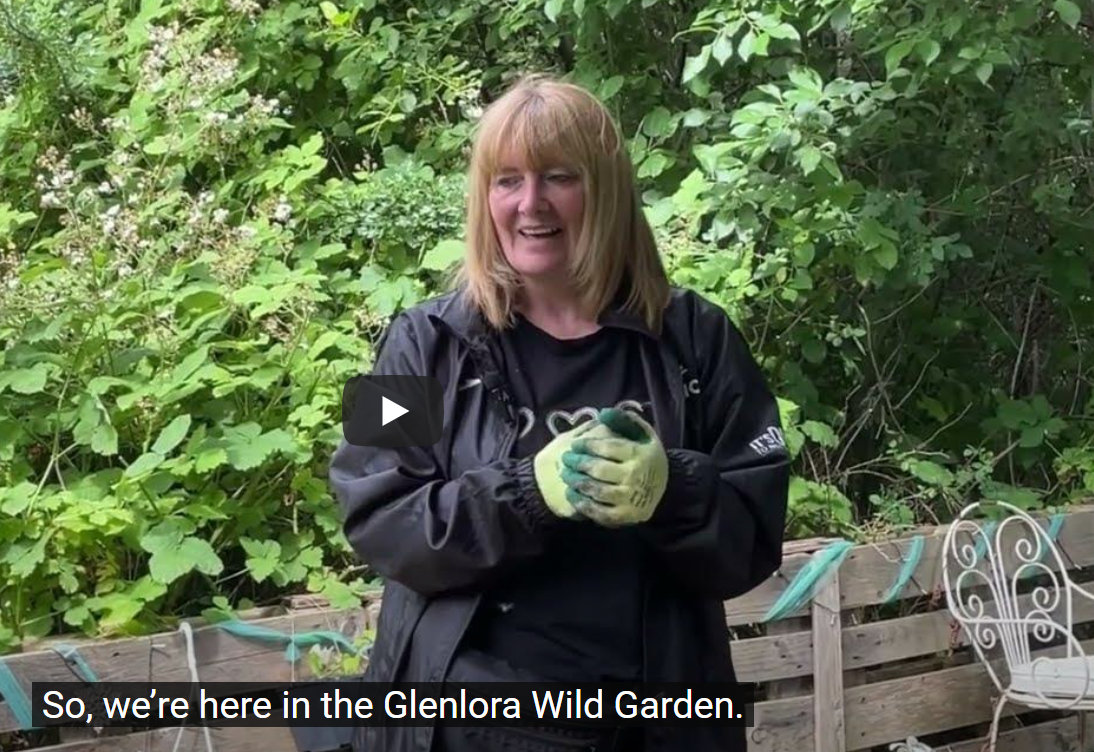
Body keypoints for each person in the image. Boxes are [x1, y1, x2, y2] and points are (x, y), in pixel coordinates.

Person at [328, 74, 790, 752]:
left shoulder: (698, 338)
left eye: (558, 177)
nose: (529, 204)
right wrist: (524, 495)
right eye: (506, 180)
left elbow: (752, 539)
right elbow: (373, 513)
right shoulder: (419, 342)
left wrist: (674, 490)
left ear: (605, 190)